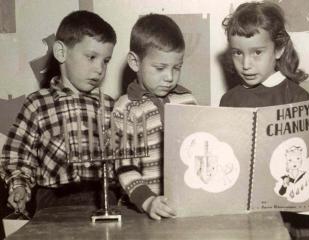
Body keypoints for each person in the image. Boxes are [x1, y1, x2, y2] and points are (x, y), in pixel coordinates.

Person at [220, 1, 309, 238]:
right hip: (250, 211)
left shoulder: (295, 95)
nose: (246, 64)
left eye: (257, 52)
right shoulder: (228, 100)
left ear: (279, 49)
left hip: (293, 209)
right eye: (237, 53)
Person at [0, 10, 118, 215]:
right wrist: (19, 186)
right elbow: (17, 156)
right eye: (91, 57)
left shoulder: (108, 106)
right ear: (61, 52)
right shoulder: (38, 104)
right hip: (55, 202)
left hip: (104, 197)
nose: (99, 68)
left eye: (105, 61)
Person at [112, 13, 197, 220]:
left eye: (176, 67)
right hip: (141, 209)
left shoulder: (187, 98)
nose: (169, 77)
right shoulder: (125, 109)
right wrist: (148, 201)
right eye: (160, 68)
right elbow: (124, 165)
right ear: (134, 62)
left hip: (183, 206)